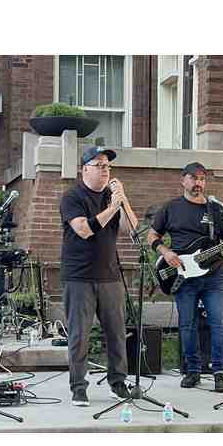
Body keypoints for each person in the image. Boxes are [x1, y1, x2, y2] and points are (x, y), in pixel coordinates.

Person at [148, 162, 223, 393]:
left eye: (202, 179)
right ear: (183, 180)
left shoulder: (215, 210)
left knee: (219, 323)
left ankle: (220, 372)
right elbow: (152, 234)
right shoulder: (171, 208)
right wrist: (166, 252)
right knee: (187, 325)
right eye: (194, 178)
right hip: (183, 275)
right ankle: (192, 370)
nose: (198, 183)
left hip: (214, 276)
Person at [60, 146, 138, 407]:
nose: (105, 170)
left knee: (116, 333)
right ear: (85, 169)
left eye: (108, 166)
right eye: (99, 165)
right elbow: (83, 229)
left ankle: (118, 382)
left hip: (109, 276)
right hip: (79, 276)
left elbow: (131, 228)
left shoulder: (111, 197)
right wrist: (112, 208)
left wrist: (122, 201)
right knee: (80, 335)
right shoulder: (72, 197)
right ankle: (78, 387)